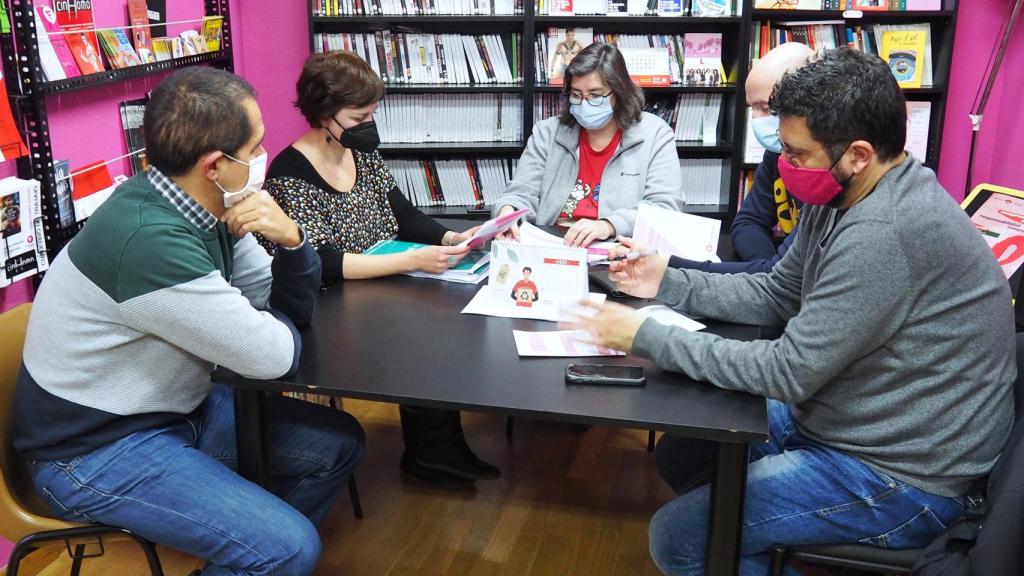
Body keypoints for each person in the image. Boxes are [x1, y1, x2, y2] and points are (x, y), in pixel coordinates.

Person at [566, 48, 1015, 575]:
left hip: (903, 474)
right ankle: (758, 546)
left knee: (679, 538)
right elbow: (778, 291)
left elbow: (787, 372)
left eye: (797, 153)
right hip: (856, 416)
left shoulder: (885, 232)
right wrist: (667, 281)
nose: (783, 165)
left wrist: (645, 334)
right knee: (685, 453)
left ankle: (744, 544)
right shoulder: (843, 195)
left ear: (858, 154)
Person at [12, 67, 365, 576]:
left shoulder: (209, 206)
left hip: (173, 408)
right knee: (287, 548)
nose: (266, 155)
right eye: (258, 145)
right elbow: (273, 355)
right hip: (92, 451)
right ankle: (252, 550)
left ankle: (234, 549)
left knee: (337, 446)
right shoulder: (149, 239)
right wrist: (272, 321)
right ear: (217, 165)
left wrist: (294, 242)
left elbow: (276, 304)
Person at [261, 51, 499, 487]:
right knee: (426, 332)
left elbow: (403, 214)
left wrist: (449, 238)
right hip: (331, 304)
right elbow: (321, 262)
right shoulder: (287, 174)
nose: (370, 124)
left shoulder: (359, 152)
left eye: (373, 112)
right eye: (360, 115)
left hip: (381, 282)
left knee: (448, 322)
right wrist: (410, 260)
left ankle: (441, 448)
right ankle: (431, 454)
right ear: (324, 114)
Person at [494, 42, 685, 247]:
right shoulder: (547, 132)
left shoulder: (654, 134)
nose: (584, 103)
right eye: (576, 95)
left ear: (619, 93)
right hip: (553, 245)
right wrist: (508, 212)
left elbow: (665, 207)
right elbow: (521, 192)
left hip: (616, 250)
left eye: (595, 96)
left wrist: (609, 225)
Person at [671, 42, 812, 274]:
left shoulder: (828, 171)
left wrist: (668, 264)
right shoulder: (776, 153)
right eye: (752, 108)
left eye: (766, 107)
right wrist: (766, 269)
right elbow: (748, 222)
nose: (757, 119)